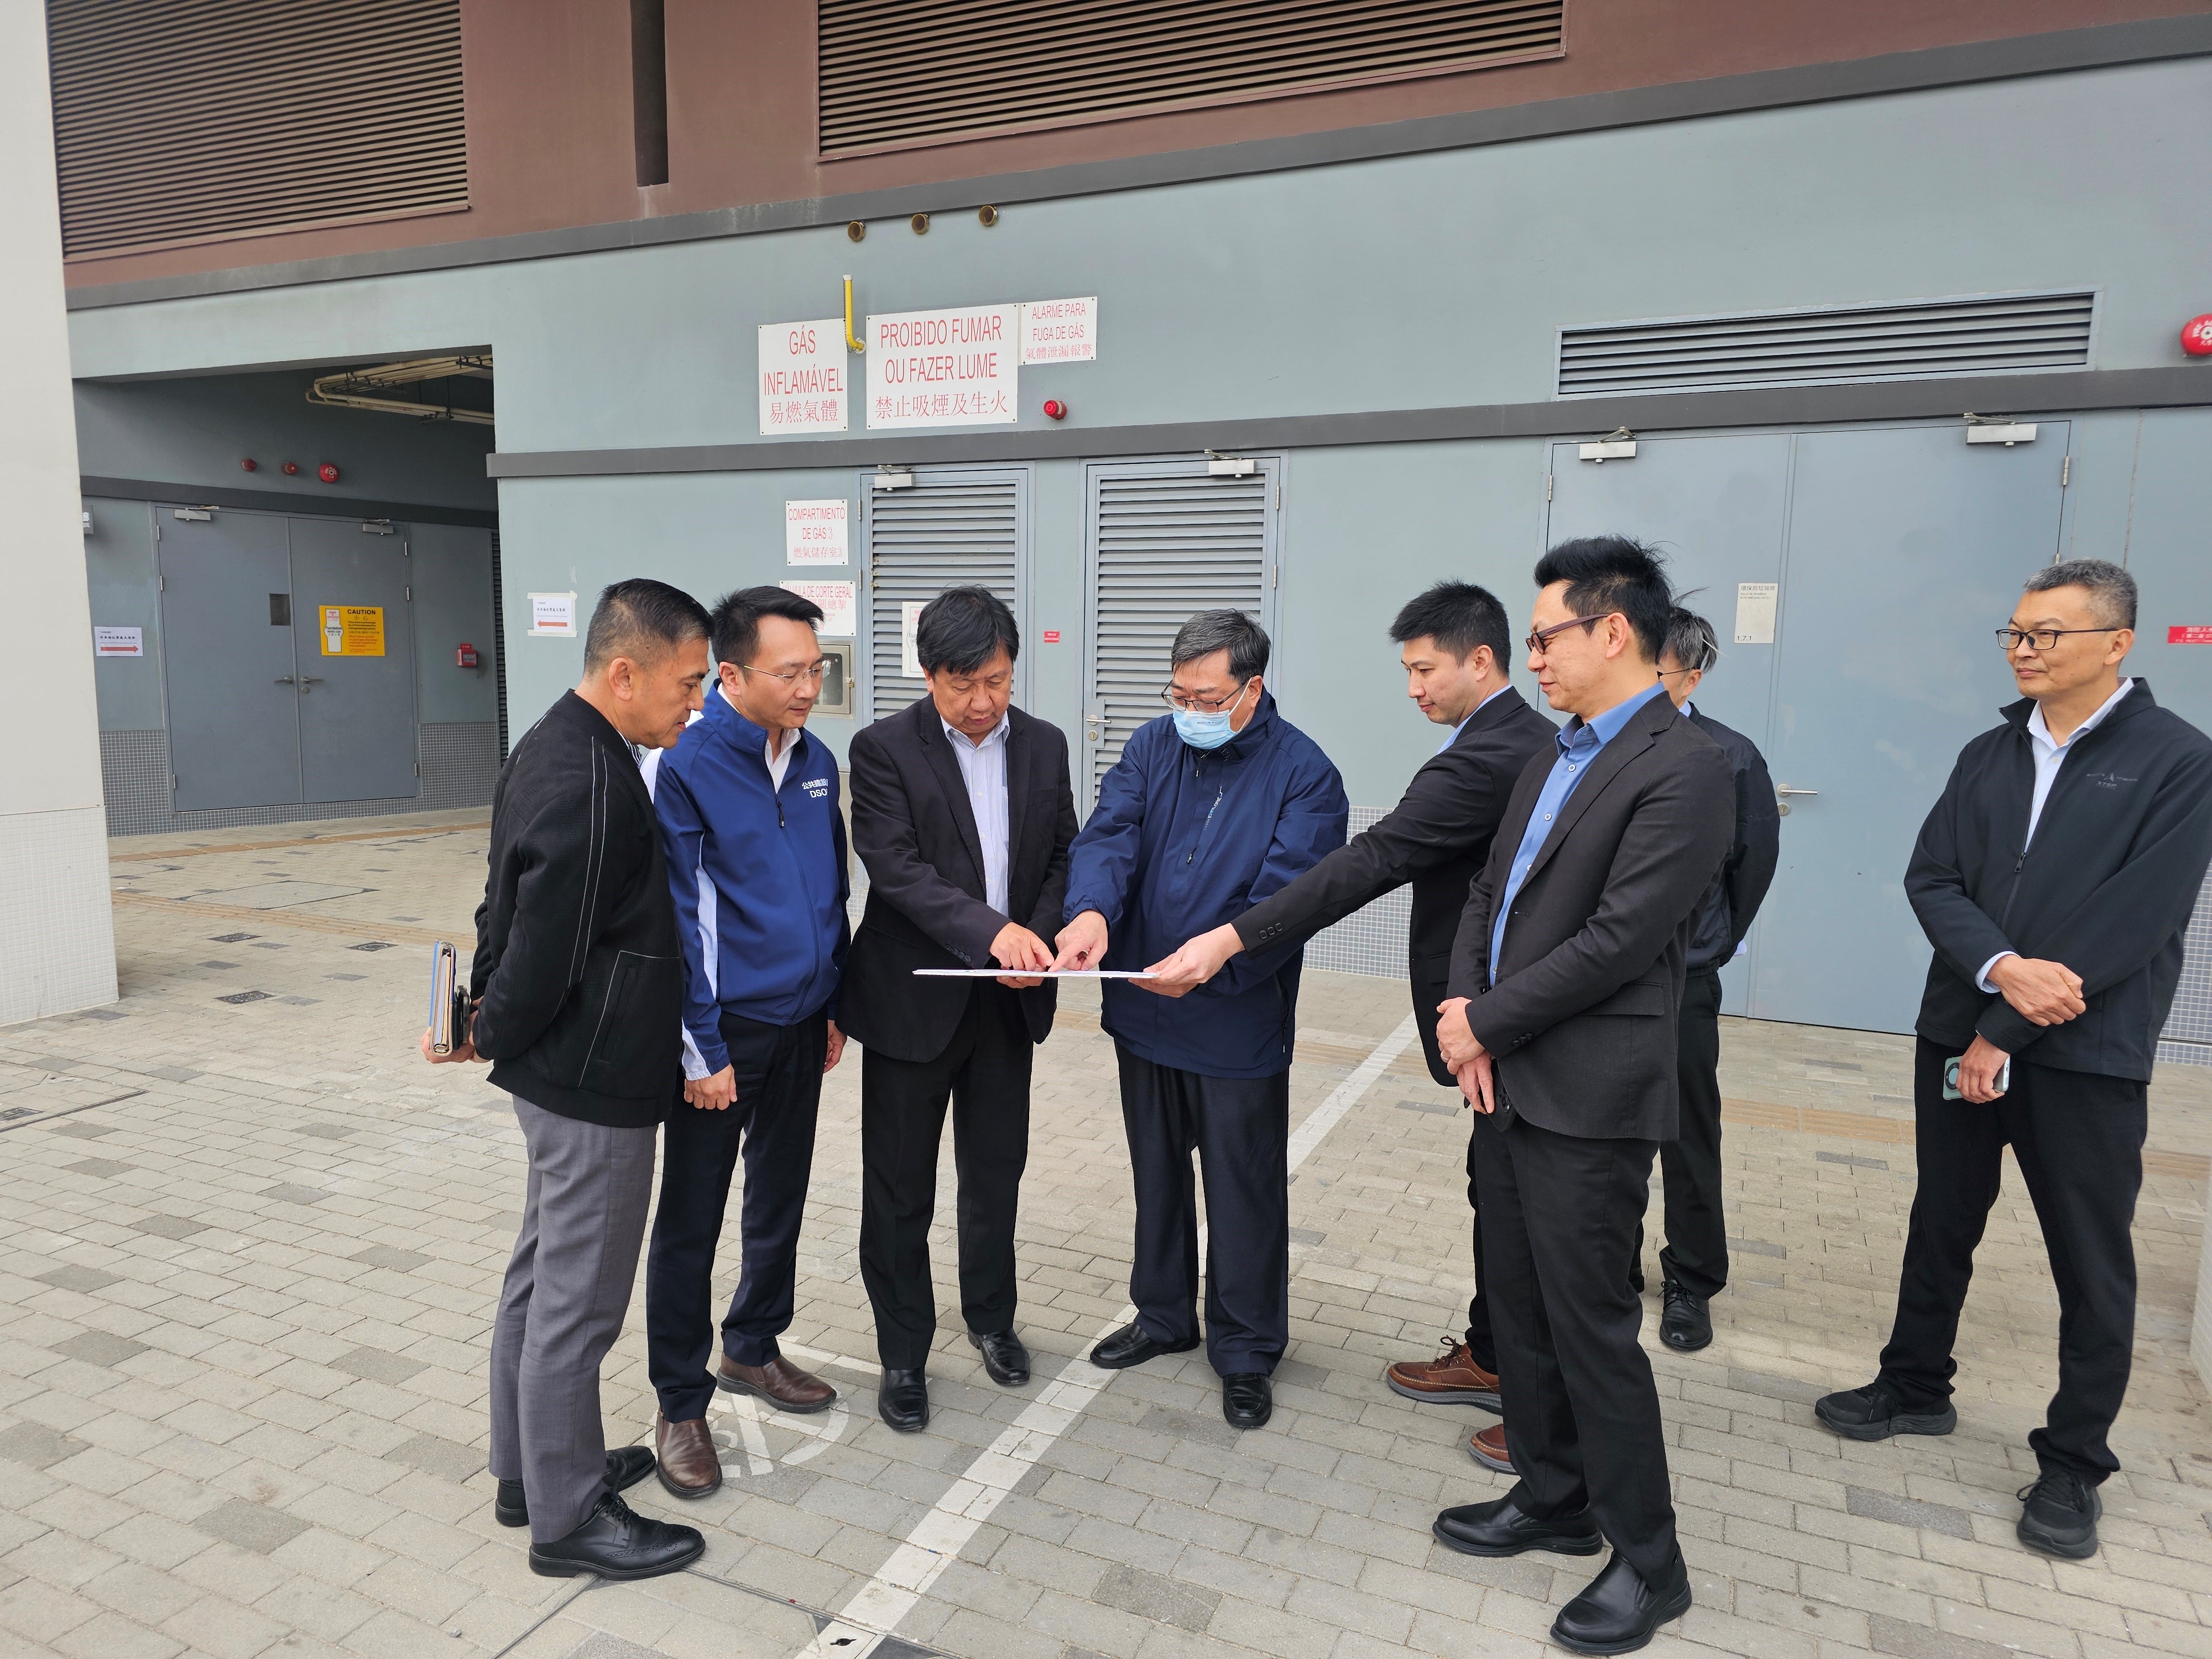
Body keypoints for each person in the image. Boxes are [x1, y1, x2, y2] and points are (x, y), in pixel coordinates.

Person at [1817, 559, 2212, 1562]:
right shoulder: (1990, 752)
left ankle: (2075, 1462)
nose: (2024, 651)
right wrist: (1999, 972)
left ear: (2117, 643)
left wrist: (2012, 1023)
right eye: (2017, 633)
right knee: (1943, 1215)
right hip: (1961, 1025)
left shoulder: (2179, 760)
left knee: (2090, 1256)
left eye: (2047, 635)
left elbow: (2139, 914)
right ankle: (1914, 1385)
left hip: (2086, 1051)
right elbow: (1932, 877)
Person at [1141, 581, 1554, 1444]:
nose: (1413, 689)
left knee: (1525, 1210)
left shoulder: (1487, 757)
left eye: (1425, 670)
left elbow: (1373, 859)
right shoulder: (1515, 743)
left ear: (1482, 661)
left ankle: (1540, 1410)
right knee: (1498, 1191)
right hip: (1490, 1014)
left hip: (1510, 1019)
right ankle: (1493, 1355)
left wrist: (1230, 941)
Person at [1429, 537, 1731, 1657]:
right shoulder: (1553, 752)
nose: (1535, 659)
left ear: (1613, 631)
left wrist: (1486, 1023)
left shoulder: (1683, 767)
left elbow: (1619, 941)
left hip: (1588, 1098)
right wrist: (1462, 1008)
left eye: (1546, 636)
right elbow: (1488, 892)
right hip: (1506, 1080)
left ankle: (1650, 1562)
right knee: (1519, 1309)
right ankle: (1552, 1497)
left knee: (1594, 1330)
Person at [424, 578, 711, 1580]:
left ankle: (530, 1471)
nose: (697, 704)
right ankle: (569, 1517)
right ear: (624, 673)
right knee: (577, 1307)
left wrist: (482, 1019)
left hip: (560, 1074)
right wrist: (491, 1025)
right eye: (688, 683)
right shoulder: (594, 777)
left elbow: (499, 900)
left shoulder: (553, 741)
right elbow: (545, 943)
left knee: (540, 1278)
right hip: (593, 1081)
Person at [1054, 609, 1347, 1430]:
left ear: (1253, 688)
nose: (1190, 711)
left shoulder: (1305, 775)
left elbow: (1292, 897)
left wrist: (1220, 958)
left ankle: (1246, 1347)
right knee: (1156, 1172)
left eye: (1207, 698)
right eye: (1179, 695)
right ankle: (1162, 1315)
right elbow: (1110, 836)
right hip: (1144, 1004)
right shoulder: (1153, 746)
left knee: (1242, 1184)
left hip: (1235, 1016)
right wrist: (1090, 912)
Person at [840, 587, 1079, 1432]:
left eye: (997, 681)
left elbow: (1064, 853)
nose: (983, 702)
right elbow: (896, 869)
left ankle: (992, 1319)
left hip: (1008, 1007)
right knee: (899, 1187)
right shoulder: (881, 749)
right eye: (963, 684)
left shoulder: (1045, 744)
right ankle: (904, 1352)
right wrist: (993, 935)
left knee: (995, 1175)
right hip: (913, 1004)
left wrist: (1035, 939)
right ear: (929, 674)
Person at [644, 586, 850, 1499]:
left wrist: (835, 998)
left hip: (804, 1022)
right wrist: (702, 1048)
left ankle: (754, 1346)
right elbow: (681, 916)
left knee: (781, 1192)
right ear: (730, 674)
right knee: (692, 1217)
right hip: (722, 1034)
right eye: (791, 672)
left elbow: (831, 888)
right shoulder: (685, 764)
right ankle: (679, 1403)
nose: (810, 688)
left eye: (817, 669)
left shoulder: (815, 761)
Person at [1634, 608, 1779, 1352]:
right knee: (1607, 1129)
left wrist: (1708, 945)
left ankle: (1691, 1278)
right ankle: (1612, 1263)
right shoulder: (1595, 746)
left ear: (1690, 678)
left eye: (1652, 672)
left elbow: (1751, 869)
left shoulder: (1731, 757)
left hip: (1682, 979)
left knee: (1687, 1131)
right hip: (1595, 980)